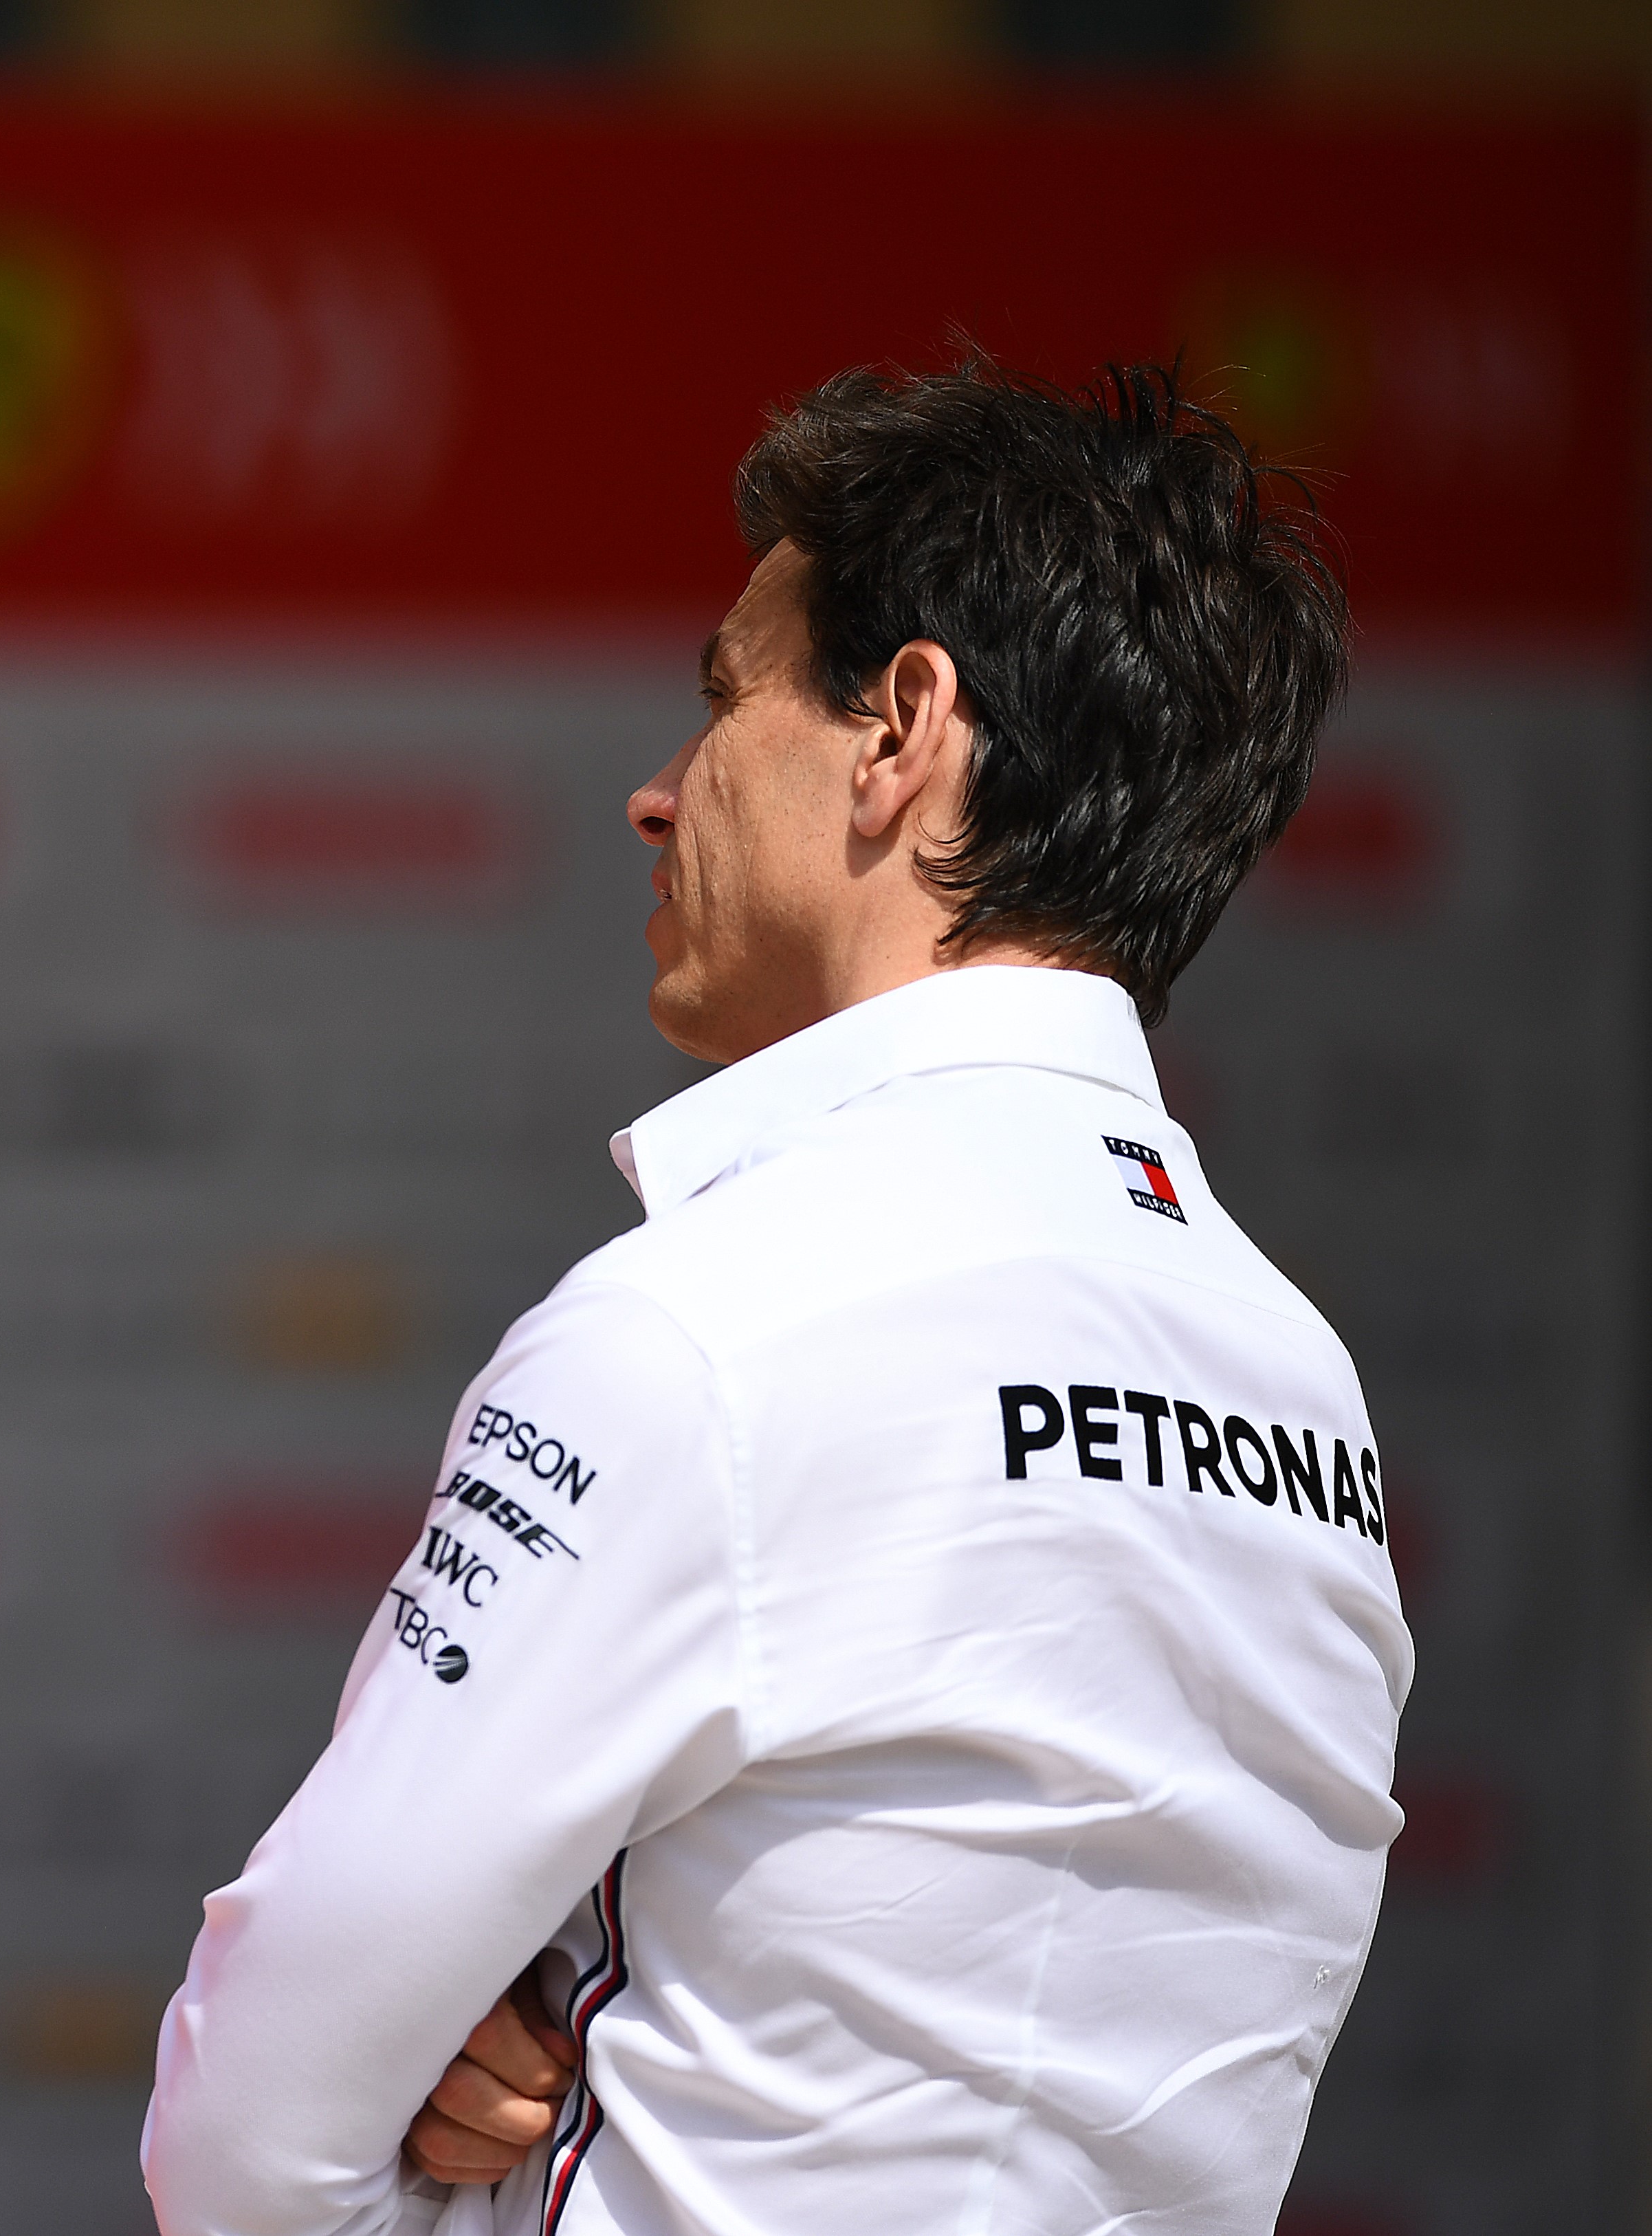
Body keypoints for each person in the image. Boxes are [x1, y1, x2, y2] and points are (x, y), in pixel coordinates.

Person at [144, 360, 1405, 2236]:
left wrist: (464, 2113)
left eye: (726, 696)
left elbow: (243, 2139)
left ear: (902, 729)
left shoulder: (702, 1325)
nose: (658, 797)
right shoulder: (1309, 1389)